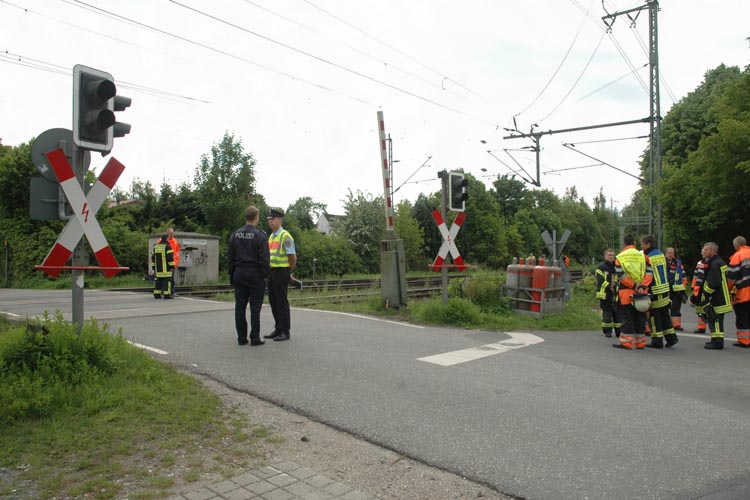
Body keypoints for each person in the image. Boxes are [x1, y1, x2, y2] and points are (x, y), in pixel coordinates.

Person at [228, 206, 270, 346]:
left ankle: (241, 338)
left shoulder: (235, 234)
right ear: (256, 217)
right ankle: (255, 338)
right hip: (255, 274)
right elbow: (264, 259)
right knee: (255, 307)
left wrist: (232, 275)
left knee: (240, 306)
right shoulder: (260, 235)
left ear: (246, 217)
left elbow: (230, 258)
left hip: (239, 273)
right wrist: (265, 275)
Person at [613, 234, 652, 349]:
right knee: (640, 317)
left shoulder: (620, 257)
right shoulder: (643, 256)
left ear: (624, 243)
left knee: (627, 317)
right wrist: (642, 286)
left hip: (626, 292)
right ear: (634, 243)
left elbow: (621, 275)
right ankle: (640, 343)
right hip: (641, 292)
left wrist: (633, 285)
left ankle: (626, 342)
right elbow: (650, 272)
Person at [691, 242, 732, 350]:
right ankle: (715, 339)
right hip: (720, 295)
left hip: (717, 297)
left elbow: (714, 282)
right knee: (714, 317)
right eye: (703, 249)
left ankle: (717, 341)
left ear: (713, 251)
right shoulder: (716, 262)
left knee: (716, 318)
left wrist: (705, 294)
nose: (703, 251)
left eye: (706, 249)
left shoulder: (715, 263)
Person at [264, 207, 296, 342]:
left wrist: (289, 272)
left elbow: (292, 257)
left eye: (274, 219)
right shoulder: (271, 236)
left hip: (281, 271)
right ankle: (278, 328)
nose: (271, 221)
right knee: (273, 301)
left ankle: (285, 330)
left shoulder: (285, 236)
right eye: (269, 219)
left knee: (281, 301)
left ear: (280, 219)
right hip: (272, 272)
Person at [641, 235, 679, 349]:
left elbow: (647, 274)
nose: (641, 246)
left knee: (654, 315)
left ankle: (657, 340)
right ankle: (671, 338)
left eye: (642, 244)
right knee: (664, 314)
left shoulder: (647, 257)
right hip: (665, 288)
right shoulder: (660, 254)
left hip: (655, 290)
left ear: (648, 244)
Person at [727, 236, 750, 348]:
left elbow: (731, 277)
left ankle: (744, 341)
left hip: (744, 292)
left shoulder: (738, 255)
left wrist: (728, 290)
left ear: (736, 245)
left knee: (742, 316)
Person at [595, 248, 621, 338]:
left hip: (615, 293)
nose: (611, 257)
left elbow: (619, 277)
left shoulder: (616, 266)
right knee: (607, 313)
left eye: (612, 255)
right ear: (605, 256)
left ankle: (619, 331)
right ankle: (607, 331)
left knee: (617, 313)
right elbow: (600, 280)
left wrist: (616, 287)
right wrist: (609, 286)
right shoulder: (601, 267)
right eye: (609, 255)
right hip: (605, 294)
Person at [665, 247, 687, 332]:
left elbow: (683, 276)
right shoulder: (663, 262)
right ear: (666, 253)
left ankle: (676, 325)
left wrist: (682, 287)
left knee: (676, 307)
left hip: (676, 289)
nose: (671, 255)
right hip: (666, 288)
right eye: (669, 253)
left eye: (672, 253)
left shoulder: (678, 263)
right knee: (665, 306)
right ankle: (666, 324)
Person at [152, 233, 174, 299]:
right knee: (167, 281)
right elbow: (170, 258)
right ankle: (167, 295)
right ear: (167, 238)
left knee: (158, 281)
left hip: (158, 269)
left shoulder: (156, 246)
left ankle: (157, 294)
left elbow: (153, 258)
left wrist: (154, 267)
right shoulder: (168, 247)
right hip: (166, 269)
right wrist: (172, 267)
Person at [690, 257, 709, 333]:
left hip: (706, 288)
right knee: (699, 308)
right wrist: (693, 286)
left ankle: (707, 325)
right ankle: (701, 327)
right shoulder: (699, 263)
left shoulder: (711, 263)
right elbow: (695, 276)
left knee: (707, 308)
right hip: (698, 288)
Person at [167, 227, 181, 296]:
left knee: (172, 278)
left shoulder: (175, 241)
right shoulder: (162, 241)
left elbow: (177, 251)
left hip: (173, 263)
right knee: (165, 278)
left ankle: (172, 291)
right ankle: (165, 291)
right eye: (170, 233)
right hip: (165, 263)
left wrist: (176, 261)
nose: (171, 235)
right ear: (167, 233)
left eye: (172, 233)